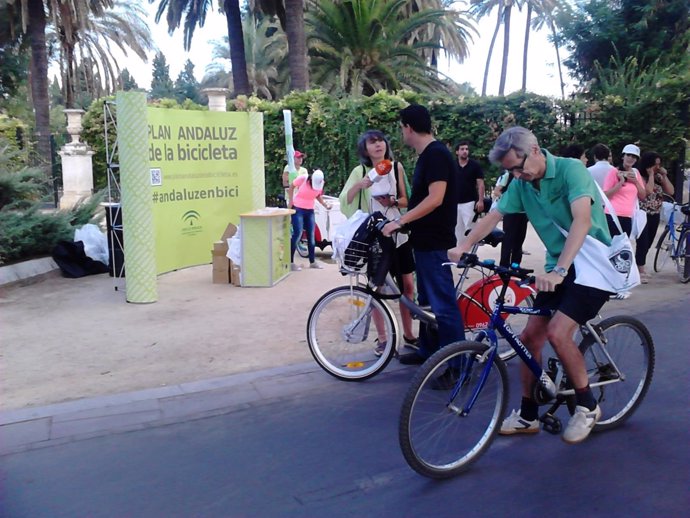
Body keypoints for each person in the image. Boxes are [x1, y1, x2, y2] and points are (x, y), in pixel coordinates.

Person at [449, 126, 612, 444]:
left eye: (518, 166)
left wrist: (561, 270)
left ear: (535, 149)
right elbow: (493, 215)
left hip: (594, 266)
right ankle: (527, 415)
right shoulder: (522, 184)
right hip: (558, 267)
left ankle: (587, 406)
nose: (516, 174)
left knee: (558, 332)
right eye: (509, 170)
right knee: (529, 339)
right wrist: (463, 245)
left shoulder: (570, 170)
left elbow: (582, 220)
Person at [382, 105, 465, 384]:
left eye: (401, 127)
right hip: (425, 240)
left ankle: (458, 366)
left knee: (443, 305)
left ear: (408, 127)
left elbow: (436, 198)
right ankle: (429, 350)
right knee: (427, 302)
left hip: (435, 241)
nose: (401, 132)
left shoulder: (437, 155)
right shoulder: (429, 155)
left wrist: (401, 220)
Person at [345, 129, 418, 351]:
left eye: (380, 141)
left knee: (407, 285)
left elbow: (408, 200)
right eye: (372, 142)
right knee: (377, 288)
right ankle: (383, 339)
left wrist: (393, 202)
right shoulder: (360, 171)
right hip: (375, 238)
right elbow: (347, 199)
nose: (378, 145)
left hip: (399, 234)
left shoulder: (396, 167)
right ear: (365, 149)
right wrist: (360, 185)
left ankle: (409, 335)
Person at [636, 151, 675, 283]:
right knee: (643, 241)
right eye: (654, 165)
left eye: (659, 165)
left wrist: (664, 175)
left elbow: (671, 191)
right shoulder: (640, 176)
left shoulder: (658, 176)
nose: (657, 167)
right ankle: (640, 269)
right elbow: (648, 191)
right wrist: (651, 175)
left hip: (655, 213)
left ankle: (639, 265)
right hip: (642, 213)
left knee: (649, 241)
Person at [602, 144, 646, 237]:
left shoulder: (636, 173)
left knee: (623, 247)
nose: (630, 158)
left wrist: (636, 182)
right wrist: (621, 182)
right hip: (612, 215)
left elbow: (643, 196)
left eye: (634, 156)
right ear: (623, 156)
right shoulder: (614, 171)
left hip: (628, 216)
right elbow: (606, 195)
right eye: (628, 155)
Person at [290, 170, 331, 271]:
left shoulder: (321, 183)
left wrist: (325, 205)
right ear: (311, 179)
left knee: (311, 236)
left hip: (310, 210)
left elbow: (317, 195)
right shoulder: (303, 178)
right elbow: (292, 186)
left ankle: (312, 262)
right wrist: (291, 202)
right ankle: (290, 262)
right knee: (298, 233)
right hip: (298, 208)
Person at [493, 171, 528, 267]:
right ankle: (504, 267)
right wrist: (508, 199)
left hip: (523, 213)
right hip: (510, 213)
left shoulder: (527, 176)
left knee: (519, 241)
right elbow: (496, 191)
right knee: (507, 240)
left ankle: (515, 266)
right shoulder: (508, 175)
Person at [454, 140, 486, 245]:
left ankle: (470, 255)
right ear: (457, 152)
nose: (465, 151)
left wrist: (481, 200)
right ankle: (459, 256)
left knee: (470, 231)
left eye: (466, 149)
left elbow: (480, 184)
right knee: (457, 232)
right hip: (455, 203)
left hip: (470, 202)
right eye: (462, 149)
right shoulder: (452, 165)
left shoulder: (474, 165)